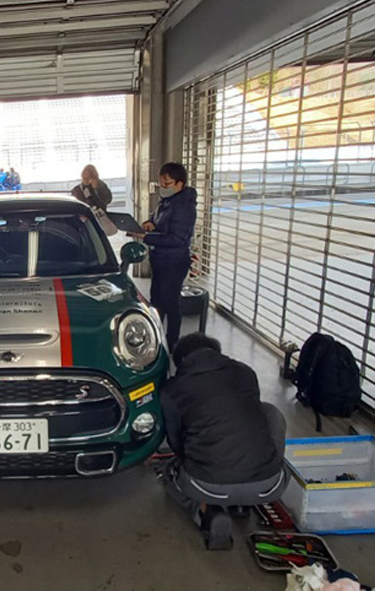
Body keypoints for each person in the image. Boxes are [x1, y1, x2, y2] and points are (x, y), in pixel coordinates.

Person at [160, 333, 285, 549]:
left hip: (207, 486)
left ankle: (207, 513)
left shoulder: (172, 389)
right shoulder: (246, 372)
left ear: (181, 361)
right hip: (269, 485)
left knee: (170, 475)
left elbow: (176, 442)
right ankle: (242, 504)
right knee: (270, 412)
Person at [127, 162, 196, 352]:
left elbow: (177, 238)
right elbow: (159, 220)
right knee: (157, 300)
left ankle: (172, 343)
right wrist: (149, 224)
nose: (163, 187)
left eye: (167, 184)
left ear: (180, 183)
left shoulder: (184, 207)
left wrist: (146, 237)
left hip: (174, 262)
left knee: (170, 303)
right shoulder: (168, 201)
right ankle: (157, 336)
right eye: (161, 183)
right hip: (160, 259)